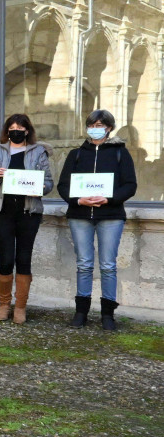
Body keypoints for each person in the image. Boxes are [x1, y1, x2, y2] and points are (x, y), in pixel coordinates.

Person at [57, 110, 137, 330]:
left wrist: (109, 199)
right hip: (80, 215)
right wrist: (78, 200)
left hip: (110, 216)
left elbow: (130, 185)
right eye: (92, 124)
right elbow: (63, 186)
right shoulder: (76, 155)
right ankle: (81, 312)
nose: (95, 128)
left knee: (108, 265)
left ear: (109, 128)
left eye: (100, 124)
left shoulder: (120, 153)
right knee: (84, 264)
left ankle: (108, 315)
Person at [0, 115, 54, 324]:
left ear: (27, 131)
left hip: (29, 212)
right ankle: (4, 305)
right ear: (7, 131)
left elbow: (48, 183)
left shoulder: (39, 152)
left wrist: (38, 186)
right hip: (2, 211)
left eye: (20, 128)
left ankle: (20, 307)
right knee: (5, 259)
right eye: (12, 128)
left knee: (24, 259)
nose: (16, 131)